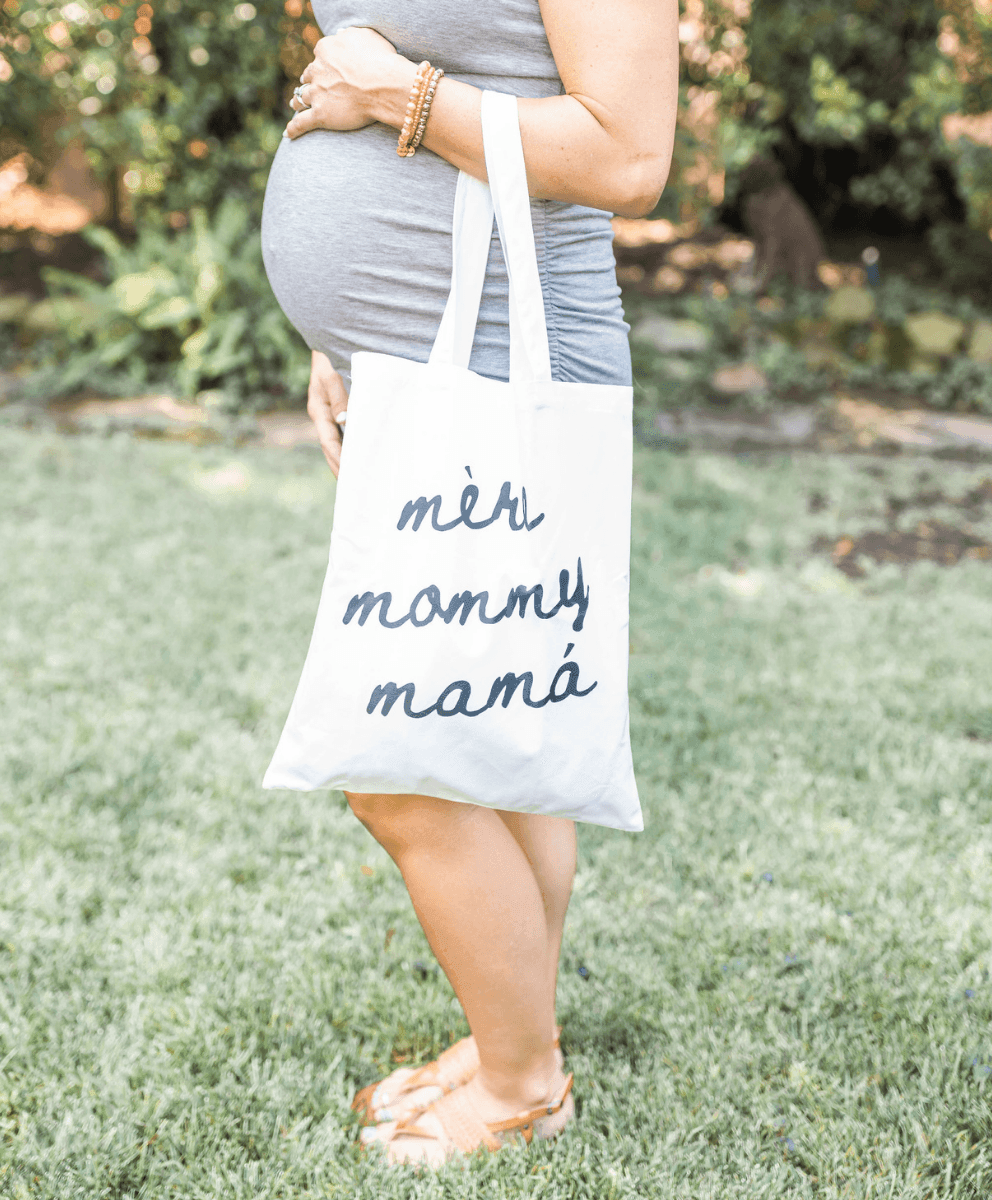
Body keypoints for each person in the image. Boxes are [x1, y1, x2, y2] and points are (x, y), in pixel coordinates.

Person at [260, 0, 678, 1168]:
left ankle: (520, 1083)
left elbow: (629, 155)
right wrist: (334, 340)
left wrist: (398, 98)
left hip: (506, 349)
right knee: (505, 736)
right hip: (412, 361)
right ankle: (512, 1040)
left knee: (405, 759)